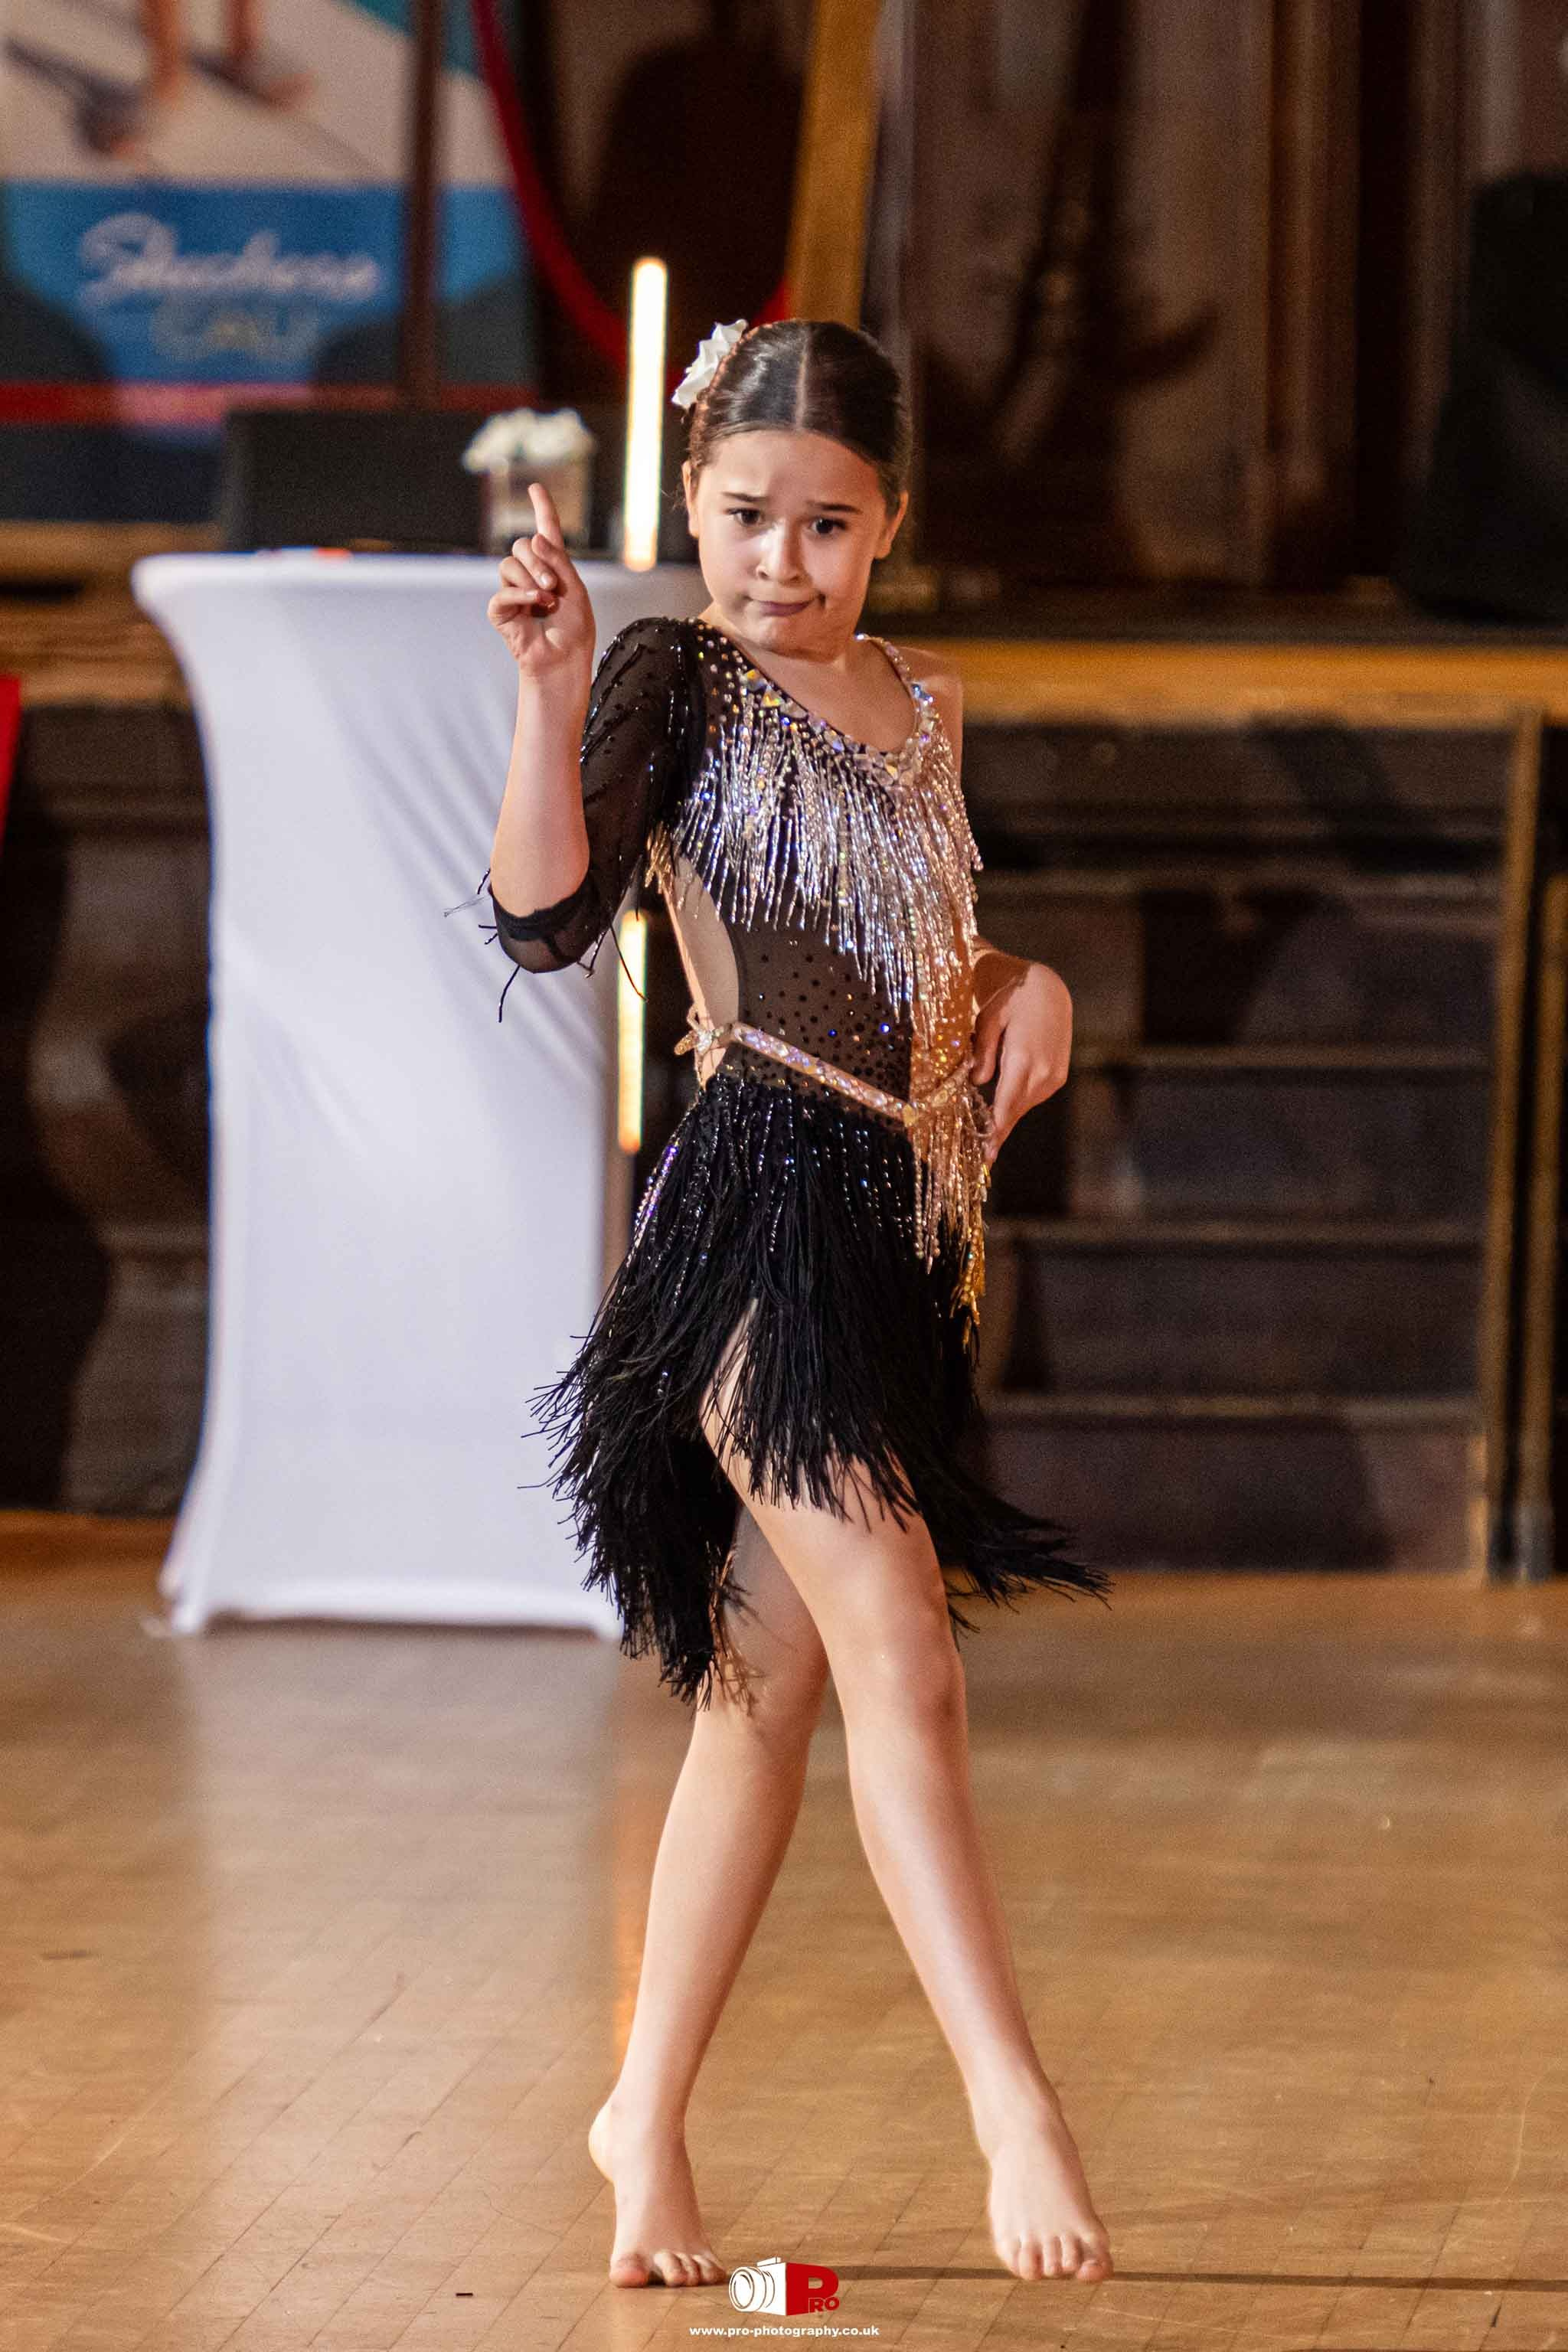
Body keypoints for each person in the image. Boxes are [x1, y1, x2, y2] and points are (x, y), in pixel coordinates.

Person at [483, 317, 1115, 2292]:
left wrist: (1037, 983)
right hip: (749, 1215)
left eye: (828, 526)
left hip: (897, 1240)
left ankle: (640, 2117)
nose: (785, 560)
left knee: (764, 1700)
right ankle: (1013, 2103)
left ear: (891, 526)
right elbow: (545, 914)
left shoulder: (927, 705)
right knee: (901, 1646)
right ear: (695, 506)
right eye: (750, 516)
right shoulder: (676, 678)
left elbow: (928, 954)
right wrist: (554, 692)